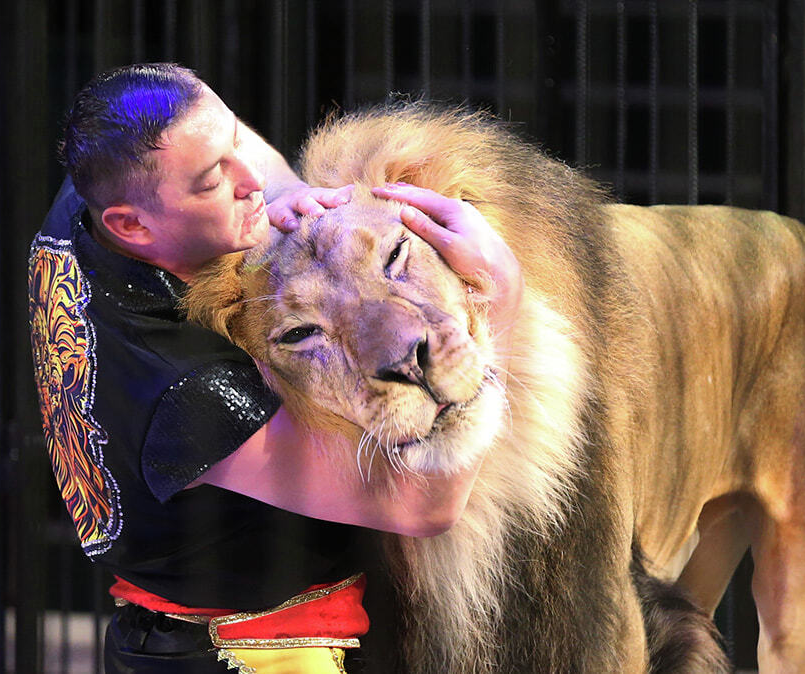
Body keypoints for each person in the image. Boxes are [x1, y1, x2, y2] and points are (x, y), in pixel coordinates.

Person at [28, 63, 522, 673]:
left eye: (234, 146)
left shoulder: (93, 196)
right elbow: (422, 510)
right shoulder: (193, 390)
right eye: (213, 181)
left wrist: (288, 195)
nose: (249, 181)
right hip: (252, 650)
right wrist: (496, 297)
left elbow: (215, 143)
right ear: (132, 224)